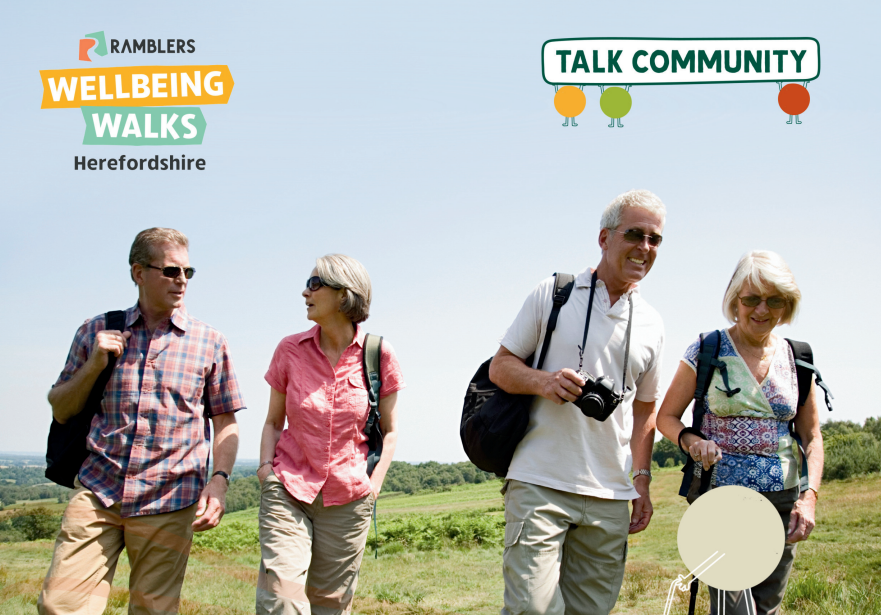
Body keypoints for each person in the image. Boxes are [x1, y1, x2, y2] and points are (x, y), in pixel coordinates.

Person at [39, 227, 246, 615]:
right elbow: (61, 407)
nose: (181, 280)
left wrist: (218, 483)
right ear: (138, 272)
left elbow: (226, 423)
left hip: (170, 499)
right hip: (99, 490)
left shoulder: (210, 341)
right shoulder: (95, 330)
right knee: (60, 605)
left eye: (188, 272)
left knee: (154, 610)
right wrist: (94, 365)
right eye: (170, 271)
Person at [489, 189, 667, 615]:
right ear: (604, 238)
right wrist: (544, 381)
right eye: (635, 234)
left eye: (655, 239)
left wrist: (640, 479)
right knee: (532, 609)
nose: (645, 248)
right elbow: (500, 367)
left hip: (609, 493)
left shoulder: (652, 323)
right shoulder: (555, 293)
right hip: (540, 481)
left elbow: (645, 408)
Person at [657, 250, 824, 615]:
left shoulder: (799, 358)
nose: (761, 310)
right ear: (735, 301)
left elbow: (811, 437)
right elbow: (666, 417)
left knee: (766, 607)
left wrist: (808, 497)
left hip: (783, 498)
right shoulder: (707, 349)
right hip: (722, 499)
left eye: (774, 300)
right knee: (733, 607)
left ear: (787, 304)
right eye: (751, 299)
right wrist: (692, 441)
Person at [256, 254, 405, 615]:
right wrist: (265, 471)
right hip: (289, 488)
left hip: (349, 497)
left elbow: (391, 430)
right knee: (282, 597)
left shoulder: (378, 353)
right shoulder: (289, 350)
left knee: (330, 605)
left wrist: (374, 486)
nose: (305, 292)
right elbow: (274, 422)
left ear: (343, 293)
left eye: (314, 284)